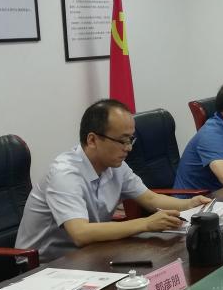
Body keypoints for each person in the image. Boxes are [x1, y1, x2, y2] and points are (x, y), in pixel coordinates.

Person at [16, 99, 210, 262]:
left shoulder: (115, 165)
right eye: (122, 141)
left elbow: (151, 199)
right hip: (42, 266)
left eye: (130, 140)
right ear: (92, 140)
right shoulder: (64, 174)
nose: (129, 148)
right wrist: (146, 224)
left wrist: (189, 204)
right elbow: (80, 233)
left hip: (88, 253)